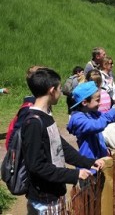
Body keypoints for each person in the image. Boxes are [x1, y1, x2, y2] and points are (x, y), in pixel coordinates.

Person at [21, 67, 105, 213]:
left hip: (54, 195)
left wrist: (88, 162)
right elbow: (36, 166)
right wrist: (74, 174)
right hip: (43, 200)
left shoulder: (46, 117)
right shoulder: (33, 123)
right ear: (52, 90)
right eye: (60, 88)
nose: (62, 92)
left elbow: (61, 147)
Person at [67, 81, 115, 160]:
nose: (100, 103)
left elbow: (109, 118)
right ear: (85, 102)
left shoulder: (91, 113)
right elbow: (98, 125)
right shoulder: (77, 119)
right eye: (97, 100)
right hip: (89, 166)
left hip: (100, 160)